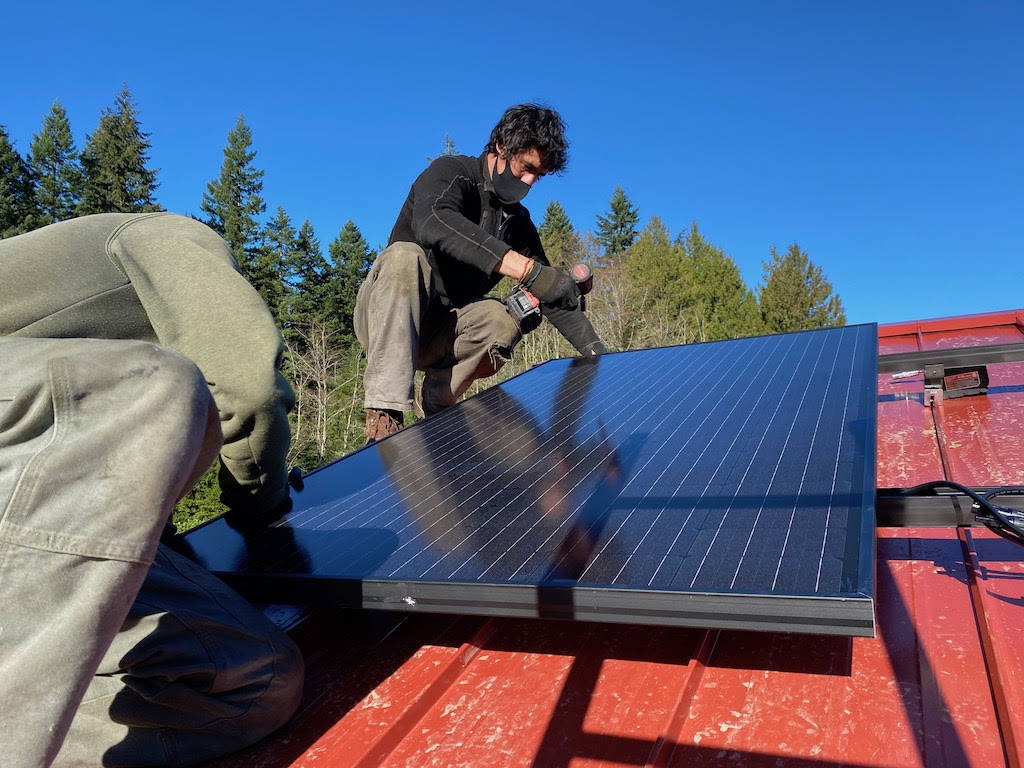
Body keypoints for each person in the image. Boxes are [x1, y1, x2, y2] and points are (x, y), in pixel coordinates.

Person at [0, 213, 304, 767]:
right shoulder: (174, 236)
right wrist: (264, 503)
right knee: (153, 382)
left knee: (251, 675)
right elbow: (249, 389)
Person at [354, 103, 607, 442]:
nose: (530, 181)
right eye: (526, 167)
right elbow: (434, 222)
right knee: (404, 257)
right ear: (502, 147)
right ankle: (385, 415)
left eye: (539, 175)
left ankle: (438, 405)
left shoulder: (518, 223)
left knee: (505, 317)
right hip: (388, 319)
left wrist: (601, 358)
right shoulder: (451, 174)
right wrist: (527, 270)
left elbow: (552, 293)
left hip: (440, 336)